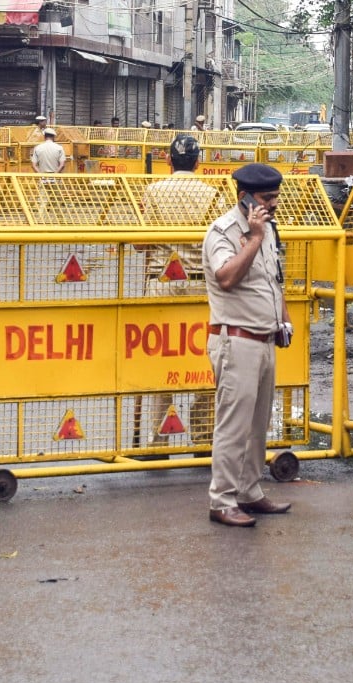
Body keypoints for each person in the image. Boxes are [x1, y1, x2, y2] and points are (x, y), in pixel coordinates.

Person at [202, 163, 293, 527]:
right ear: (245, 198)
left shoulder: (269, 230)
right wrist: (253, 239)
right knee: (233, 425)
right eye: (267, 199)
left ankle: (250, 492)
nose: (273, 205)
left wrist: (283, 321)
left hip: (264, 339)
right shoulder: (222, 232)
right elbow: (226, 278)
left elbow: (273, 280)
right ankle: (222, 500)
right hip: (235, 340)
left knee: (258, 424)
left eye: (275, 198)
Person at [139, 135, 224, 448]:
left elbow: (140, 242)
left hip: (161, 286)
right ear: (199, 163)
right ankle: (203, 436)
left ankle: (158, 439)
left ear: (168, 161)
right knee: (205, 359)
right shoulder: (214, 194)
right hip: (203, 286)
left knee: (160, 359)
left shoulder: (153, 191)